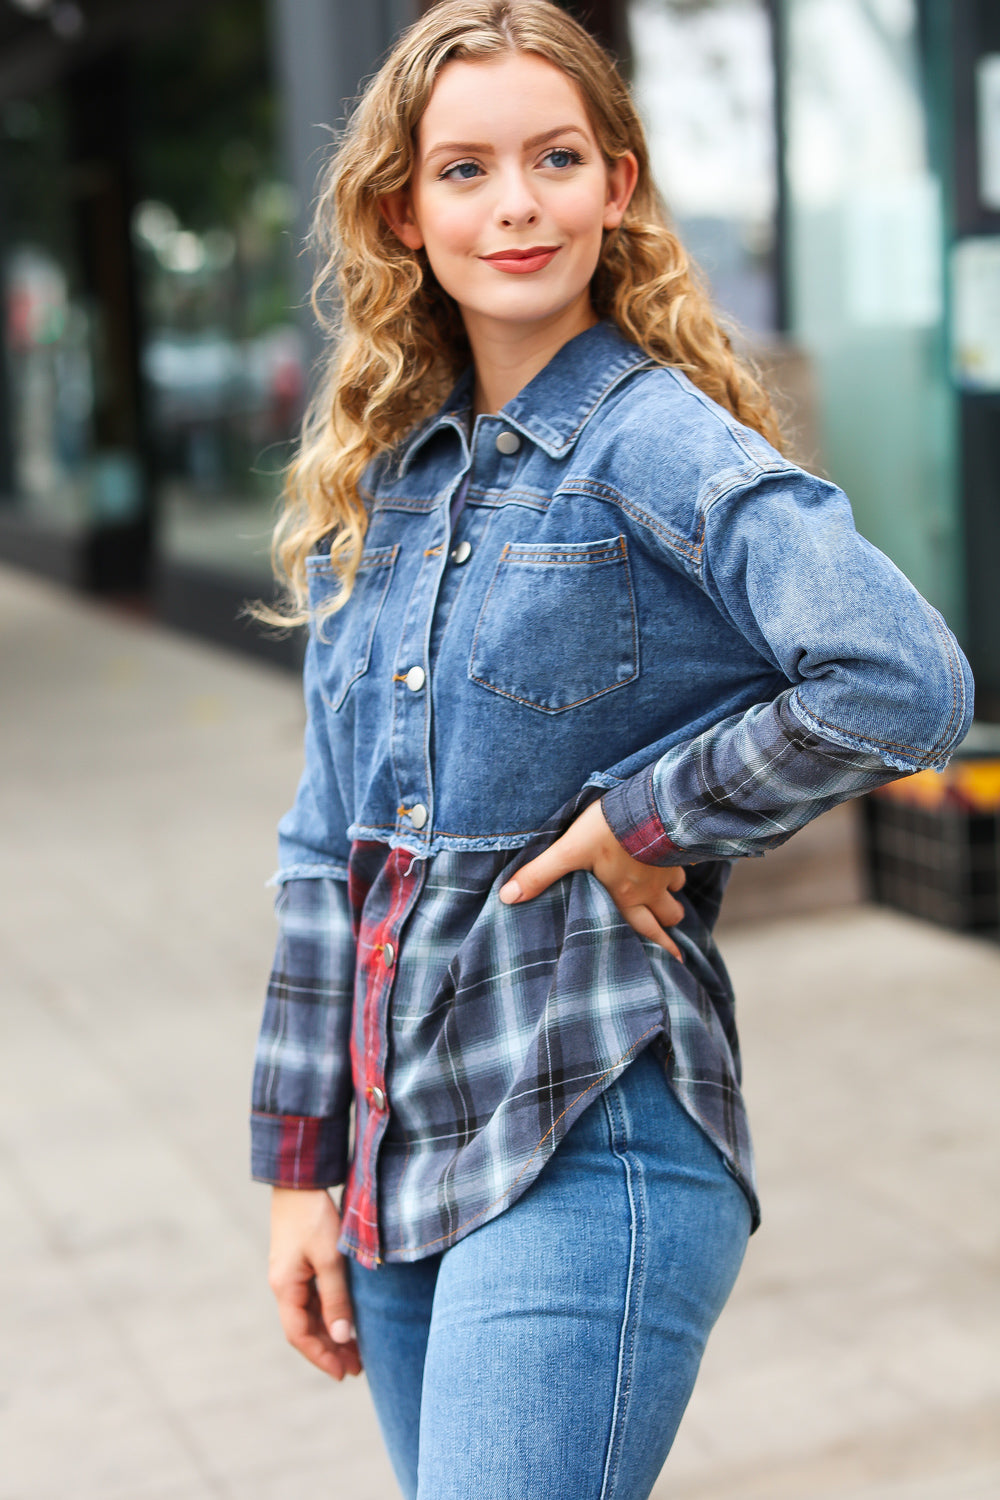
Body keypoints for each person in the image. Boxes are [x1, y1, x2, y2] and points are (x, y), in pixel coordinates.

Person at [250, 3, 973, 1496]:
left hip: (589, 1125)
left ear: (618, 185)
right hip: (399, 1162)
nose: (517, 203)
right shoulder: (391, 482)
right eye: (467, 169)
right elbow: (326, 854)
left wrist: (647, 815)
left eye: (556, 158)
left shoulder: (661, 442)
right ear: (405, 209)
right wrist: (295, 1169)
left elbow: (903, 679)